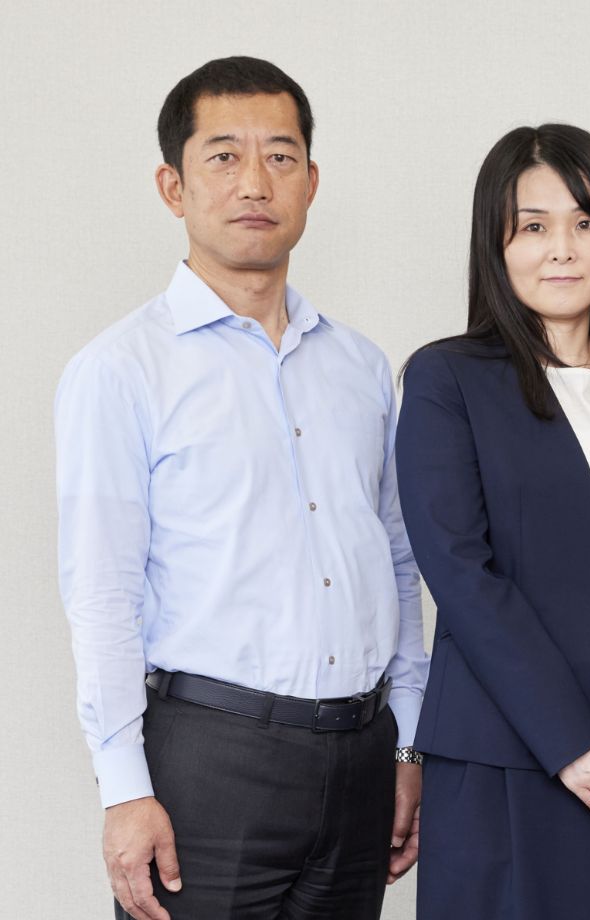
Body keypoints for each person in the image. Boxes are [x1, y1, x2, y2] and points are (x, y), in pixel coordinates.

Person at [54, 56, 428, 920]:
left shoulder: (362, 367)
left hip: (362, 757)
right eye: (223, 155)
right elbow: (102, 592)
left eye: (281, 156)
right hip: (208, 763)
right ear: (171, 184)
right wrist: (123, 791)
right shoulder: (120, 370)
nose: (255, 181)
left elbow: (398, 566)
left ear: (311, 180)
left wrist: (409, 745)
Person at [394, 123, 590, 919]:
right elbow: (462, 575)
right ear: (495, 246)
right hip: (502, 758)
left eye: (586, 222)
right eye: (533, 227)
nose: (562, 249)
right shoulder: (446, 380)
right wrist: (571, 745)